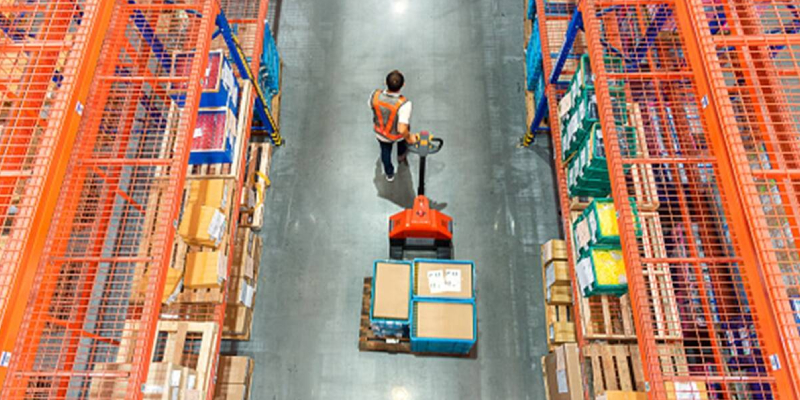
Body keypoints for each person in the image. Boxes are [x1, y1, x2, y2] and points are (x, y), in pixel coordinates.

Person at [370, 70, 417, 182]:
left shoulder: (375, 96)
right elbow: (402, 128)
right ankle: (401, 156)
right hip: (397, 136)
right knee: (402, 143)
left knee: (385, 153)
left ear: (385, 83)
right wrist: (409, 138)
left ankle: (389, 174)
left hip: (381, 133)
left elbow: (371, 106)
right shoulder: (404, 104)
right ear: (403, 85)